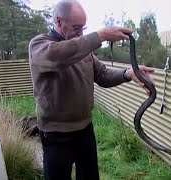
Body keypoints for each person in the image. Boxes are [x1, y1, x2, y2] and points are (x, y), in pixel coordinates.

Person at [28, 0, 155, 179]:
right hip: (55, 134)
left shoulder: (83, 50)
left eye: (83, 29)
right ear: (58, 21)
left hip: (84, 130)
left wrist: (128, 73)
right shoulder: (39, 45)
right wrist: (101, 35)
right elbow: (57, 56)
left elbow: (103, 75)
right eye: (76, 28)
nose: (80, 34)